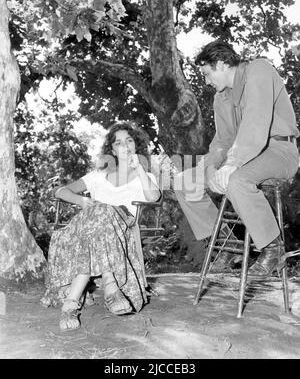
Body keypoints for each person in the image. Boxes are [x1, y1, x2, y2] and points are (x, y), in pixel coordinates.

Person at [175, 40, 299, 276]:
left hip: (279, 151)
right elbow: (222, 141)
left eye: (207, 74)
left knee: (237, 180)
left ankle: (273, 250)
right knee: (184, 182)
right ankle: (225, 245)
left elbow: (255, 122)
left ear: (221, 64)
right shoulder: (220, 98)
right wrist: (211, 166)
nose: (206, 81)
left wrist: (232, 164)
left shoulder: (259, 69)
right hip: (244, 155)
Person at [40, 122, 161, 331]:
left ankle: (70, 304)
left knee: (104, 211)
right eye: (119, 143)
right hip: (88, 225)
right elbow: (60, 191)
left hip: (120, 226)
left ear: (136, 146)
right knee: (98, 213)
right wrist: (81, 201)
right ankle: (111, 288)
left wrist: (139, 168)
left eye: (129, 141)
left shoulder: (144, 175)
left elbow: (153, 196)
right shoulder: (97, 176)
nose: (125, 146)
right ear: (112, 150)